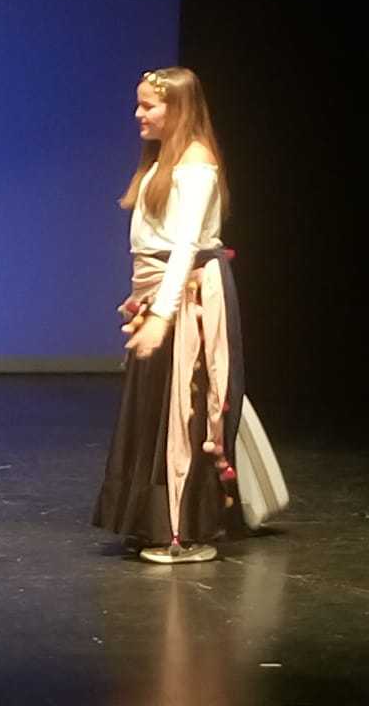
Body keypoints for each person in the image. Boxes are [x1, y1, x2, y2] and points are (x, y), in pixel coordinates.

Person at [93, 67, 245, 564]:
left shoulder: (196, 162)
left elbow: (185, 247)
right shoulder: (164, 160)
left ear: (177, 108)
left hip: (187, 297)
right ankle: (151, 521)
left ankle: (185, 531)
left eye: (148, 106)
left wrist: (162, 314)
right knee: (154, 409)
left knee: (183, 410)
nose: (138, 114)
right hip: (158, 291)